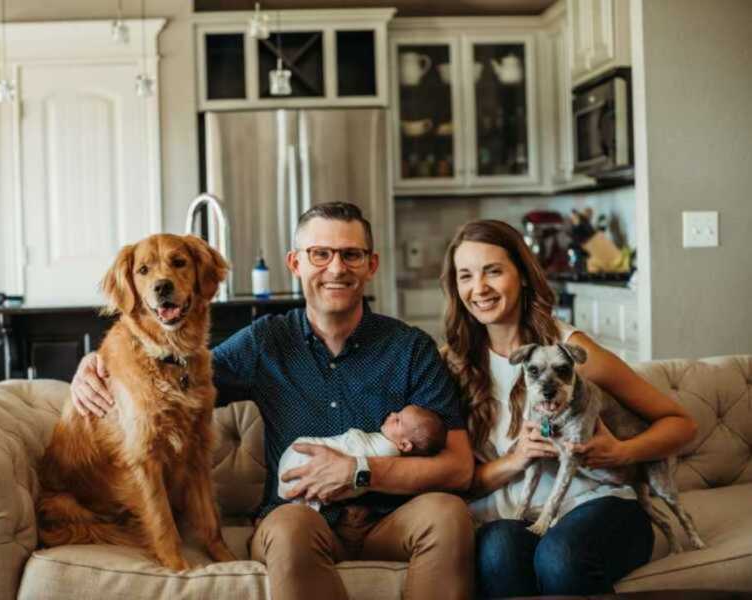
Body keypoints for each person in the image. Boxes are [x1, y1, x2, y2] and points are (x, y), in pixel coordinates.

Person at [71, 202, 476, 600]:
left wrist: (361, 470)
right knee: (288, 530)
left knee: (447, 513)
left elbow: (458, 468)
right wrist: (96, 364)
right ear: (295, 263)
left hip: (390, 519)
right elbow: (177, 377)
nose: (336, 268)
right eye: (320, 254)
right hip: (297, 518)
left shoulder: (410, 349)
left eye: (351, 255)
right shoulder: (264, 341)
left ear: (371, 265)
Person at [438, 219, 697, 598]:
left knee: (561, 556)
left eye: (493, 271)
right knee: (498, 554)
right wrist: (516, 459)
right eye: (466, 276)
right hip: (515, 515)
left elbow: (682, 424)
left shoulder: (568, 351)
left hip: (600, 504)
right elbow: (458, 480)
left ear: (523, 276)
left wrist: (622, 452)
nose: (479, 288)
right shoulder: (452, 364)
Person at [278, 404, 447, 510]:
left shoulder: (386, 452)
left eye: (398, 420)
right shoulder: (383, 441)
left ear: (404, 445)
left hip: (303, 465)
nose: (391, 414)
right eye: (397, 413)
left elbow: (356, 461)